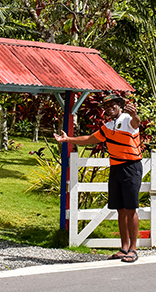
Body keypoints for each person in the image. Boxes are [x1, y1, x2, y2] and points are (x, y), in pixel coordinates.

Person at [54, 93, 142, 263]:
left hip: (131, 167)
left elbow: (136, 124)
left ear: (120, 105)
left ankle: (133, 249)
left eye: (113, 105)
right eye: (107, 107)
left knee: (131, 209)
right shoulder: (108, 126)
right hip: (116, 167)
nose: (110, 109)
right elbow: (89, 139)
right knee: (120, 209)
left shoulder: (127, 120)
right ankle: (124, 248)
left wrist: (135, 115)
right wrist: (67, 139)